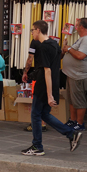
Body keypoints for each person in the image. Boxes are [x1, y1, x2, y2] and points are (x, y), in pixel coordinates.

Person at [21, 20, 82, 156]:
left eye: (32, 30)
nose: (31, 33)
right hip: (52, 83)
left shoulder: (43, 47)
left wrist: (49, 95)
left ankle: (37, 146)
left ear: (38, 30)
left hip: (44, 85)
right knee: (44, 114)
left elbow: (47, 70)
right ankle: (71, 133)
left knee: (36, 114)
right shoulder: (54, 43)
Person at [61, 18, 87, 131]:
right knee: (72, 99)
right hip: (72, 74)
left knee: (79, 99)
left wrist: (69, 48)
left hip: (79, 75)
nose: (75, 28)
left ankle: (79, 123)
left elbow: (81, 55)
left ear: (82, 27)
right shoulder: (82, 39)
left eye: (77, 26)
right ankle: (73, 120)